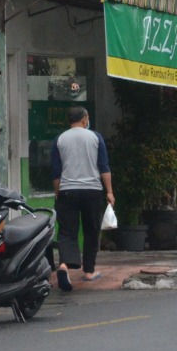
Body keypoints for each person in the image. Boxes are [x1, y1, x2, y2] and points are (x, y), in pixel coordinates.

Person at [51, 105, 114, 289]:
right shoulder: (95, 137)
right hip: (92, 191)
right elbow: (104, 167)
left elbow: (56, 172)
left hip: (68, 190)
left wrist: (58, 193)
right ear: (85, 119)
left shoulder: (59, 139)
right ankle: (89, 271)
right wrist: (109, 191)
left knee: (67, 231)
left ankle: (64, 265)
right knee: (91, 230)